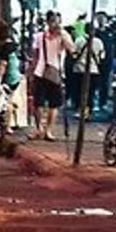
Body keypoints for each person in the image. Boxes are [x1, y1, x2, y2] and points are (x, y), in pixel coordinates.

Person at [30, 11, 73, 141]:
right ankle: (39, 128)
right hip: (40, 72)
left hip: (56, 72)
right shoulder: (39, 36)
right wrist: (31, 71)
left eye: (58, 21)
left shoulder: (63, 36)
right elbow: (35, 55)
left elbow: (71, 50)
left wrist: (63, 36)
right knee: (38, 103)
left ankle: (49, 130)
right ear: (48, 22)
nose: (56, 24)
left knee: (54, 104)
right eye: (53, 21)